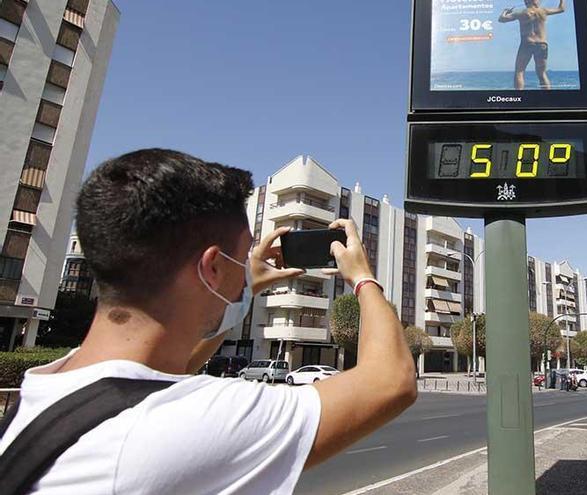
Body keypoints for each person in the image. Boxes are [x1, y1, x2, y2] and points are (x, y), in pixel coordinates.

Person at [0, 149, 417, 494]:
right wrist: (362, 277)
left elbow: (172, 370)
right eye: (244, 255)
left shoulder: (51, 385)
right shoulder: (186, 424)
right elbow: (391, 381)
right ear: (213, 267)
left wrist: (244, 288)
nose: (248, 265)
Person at [499, 0, 567, 90]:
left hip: (527, 44)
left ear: (526, 1)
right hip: (542, 44)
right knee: (542, 74)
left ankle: (519, 98)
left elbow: (501, 19)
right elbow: (561, 9)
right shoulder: (543, 11)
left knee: (519, 72)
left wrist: (505, 11)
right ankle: (549, 99)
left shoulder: (520, 13)